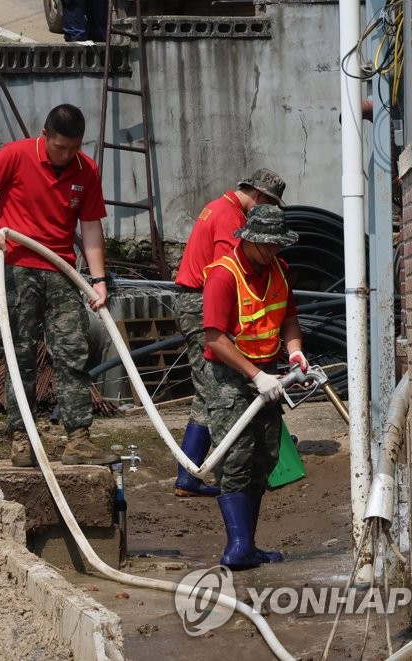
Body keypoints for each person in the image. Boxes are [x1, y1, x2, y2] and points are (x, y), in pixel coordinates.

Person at [0, 103, 118, 467]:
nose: (66, 155)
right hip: (19, 266)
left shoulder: (86, 170)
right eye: (59, 147)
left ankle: (78, 438)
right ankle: (22, 438)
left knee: (72, 350)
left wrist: (97, 280)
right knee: (20, 354)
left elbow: (92, 226)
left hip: (63, 271)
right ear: (45, 135)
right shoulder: (16, 155)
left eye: (74, 148)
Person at [201, 204, 307, 570]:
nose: (272, 252)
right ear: (249, 240)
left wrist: (294, 353)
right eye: (266, 245)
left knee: (264, 457)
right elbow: (215, 337)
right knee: (235, 458)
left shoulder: (280, 269)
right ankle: (237, 546)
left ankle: (248, 544)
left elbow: (289, 318)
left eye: (277, 246)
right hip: (232, 377)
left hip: (270, 374)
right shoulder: (223, 276)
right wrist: (254, 375)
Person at [171, 169, 287, 497]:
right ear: (261, 197)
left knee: (207, 389)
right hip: (202, 303)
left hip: (197, 298)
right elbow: (229, 273)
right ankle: (193, 473)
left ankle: (191, 472)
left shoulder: (218, 207)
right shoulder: (228, 217)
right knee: (214, 388)